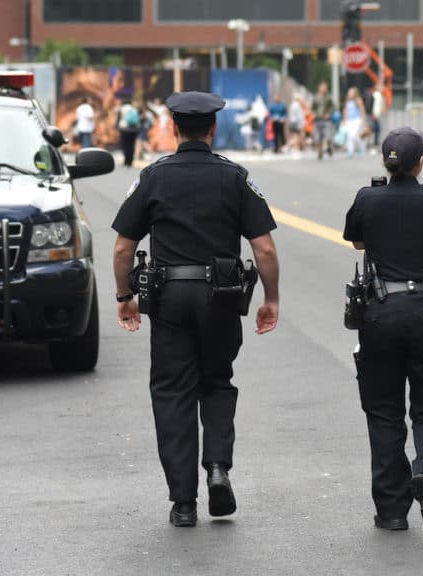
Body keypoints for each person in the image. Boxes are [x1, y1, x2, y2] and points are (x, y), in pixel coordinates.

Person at [111, 91, 281, 528]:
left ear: (172, 127)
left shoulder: (152, 177)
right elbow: (263, 247)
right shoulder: (234, 177)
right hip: (220, 297)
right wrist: (271, 299)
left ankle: (184, 502)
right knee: (217, 382)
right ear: (212, 130)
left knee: (172, 392)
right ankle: (218, 468)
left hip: (167, 298)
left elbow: (122, 248)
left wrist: (123, 296)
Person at [342, 127, 423, 533]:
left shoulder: (368, 198)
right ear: (420, 162)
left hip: (381, 313)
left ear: (387, 162)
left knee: (384, 413)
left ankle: (391, 511)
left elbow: (357, 243)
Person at [311, 82, 335, 160]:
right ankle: (320, 152)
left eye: (325, 88)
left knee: (328, 136)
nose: (323, 89)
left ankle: (329, 148)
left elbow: (333, 107)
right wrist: (313, 114)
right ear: (319, 88)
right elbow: (312, 108)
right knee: (318, 137)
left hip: (326, 120)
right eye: (322, 87)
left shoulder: (328, 97)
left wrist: (329, 113)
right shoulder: (316, 97)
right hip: (317, 119)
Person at [342, 87, 368, 157]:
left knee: (353, 135)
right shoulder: (347, 101)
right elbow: (345, 111)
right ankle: (350, 151)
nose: (349, 94)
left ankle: (361, 148)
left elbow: (362, 110)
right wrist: (344, 120)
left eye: (351, 93)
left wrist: (363, 121)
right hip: (349, 120)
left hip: (356, 120)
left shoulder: (358, 100)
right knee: (349, 136)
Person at [117, 98, 142, 168]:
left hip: (124, 128)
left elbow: (118, 119)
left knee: (125, 145)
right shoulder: (133, 109)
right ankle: (130, 161)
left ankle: (126, 160)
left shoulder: (122, 108)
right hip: (133, 129)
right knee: (131, 145)